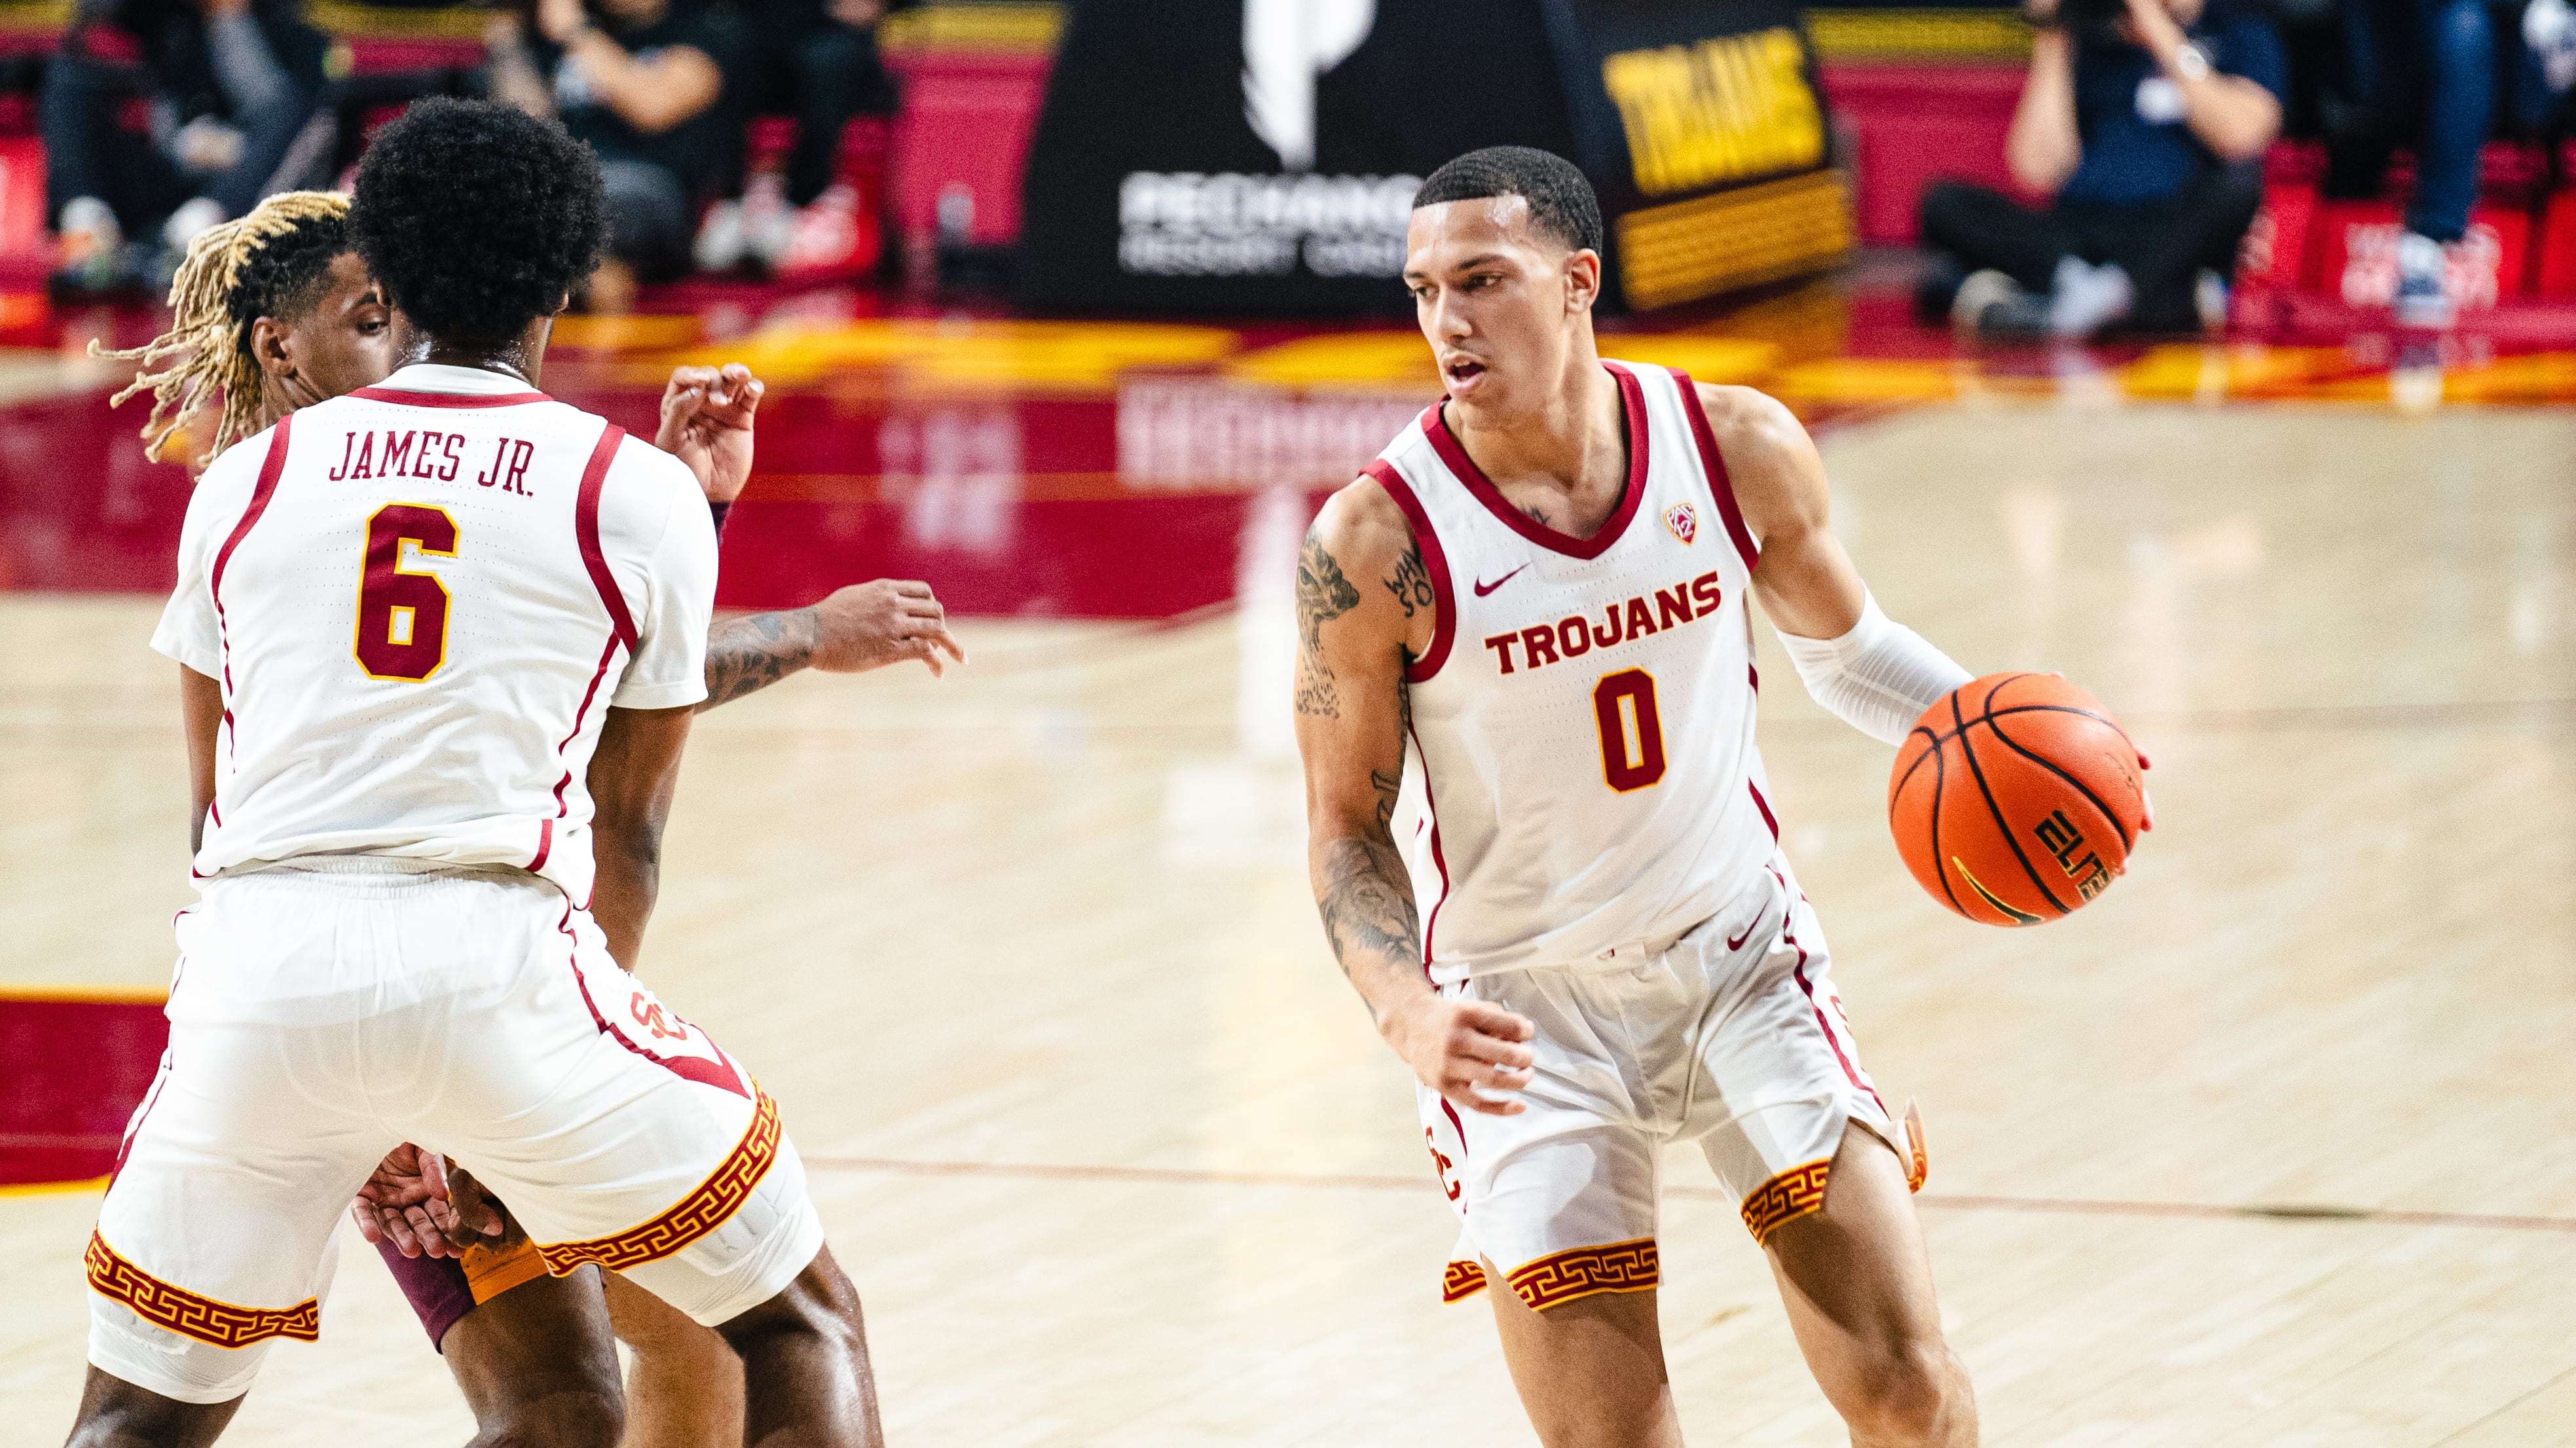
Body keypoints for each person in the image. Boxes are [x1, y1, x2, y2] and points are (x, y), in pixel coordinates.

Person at [87, 183, 960, 1448]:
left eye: (395, 311)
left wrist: (697, 514)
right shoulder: (280, 490)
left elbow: (552, 683)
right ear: (281, 346)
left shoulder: (277, 493)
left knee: (651, 1366)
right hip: (463, 995)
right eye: (363, 317)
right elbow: (589, 731)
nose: (390, 340)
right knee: (628, 1376)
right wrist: (807, 629)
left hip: (293, 998)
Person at [1297, 146, 2143, 1446]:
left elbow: (1850, 656)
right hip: (1525, 1019)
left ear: (1577, 280)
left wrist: (2030, 746)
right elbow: (1346, 823)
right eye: (1422, 290)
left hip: (1739, 959)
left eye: (1481, 279)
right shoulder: (1375, 544)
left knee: (1908, 1391)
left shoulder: (1730, 442)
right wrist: (1400, 1003)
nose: (1446, 321)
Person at [1916, 0, 2285, 338]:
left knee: (2238, 188)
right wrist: (2054, 30)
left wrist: (2156, 26)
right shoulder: (2091, 38)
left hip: (2165, 229)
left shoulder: (2240, 32)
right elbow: (2037, 168)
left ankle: (2072, 302)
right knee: (1944, 202)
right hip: (2077, 234)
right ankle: (2112, 299)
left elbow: (2239, 137)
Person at [44, 0, 330, 294]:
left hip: (234, 200)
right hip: (151, 191)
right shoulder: (143, 22)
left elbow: (287, 118)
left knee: (297, 112)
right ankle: (89, 227)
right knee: (70, 74)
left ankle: (195, 236)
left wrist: (229, 18)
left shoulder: (291, 32)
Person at [486, 0, 745, 309]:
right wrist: (510, 44)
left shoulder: (705, 27)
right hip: (564, 183)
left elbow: (652, 107)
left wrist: (576, 32)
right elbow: (524, 125)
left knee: (600, 204)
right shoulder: (552, 36)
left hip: (657, 192)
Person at [695, 0, 900, 279]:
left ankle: (806, 203)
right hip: (763, 24)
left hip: (834, 31)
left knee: (829, 61)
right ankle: (735, 202)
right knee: (729, 48)